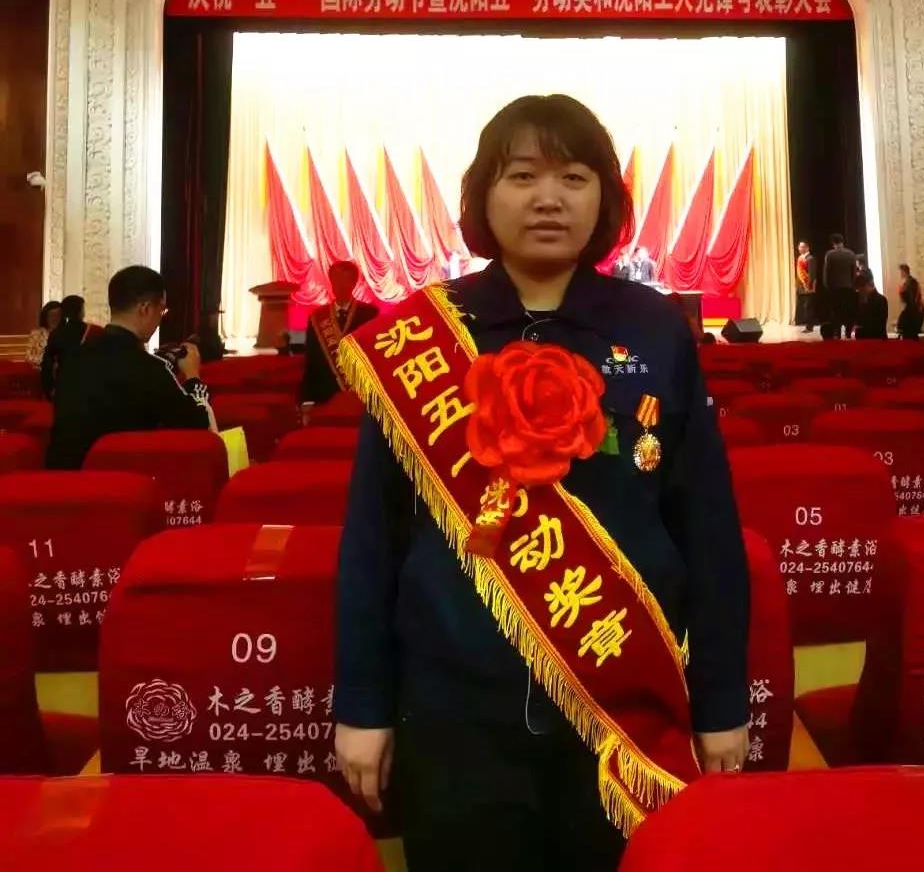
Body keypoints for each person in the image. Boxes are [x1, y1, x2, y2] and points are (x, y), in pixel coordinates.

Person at [334, 95, 750, 872]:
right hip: (454, 711)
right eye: (523, 175)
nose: (549, 197)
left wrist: (722, 699)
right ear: (483, 195)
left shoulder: (656, 328)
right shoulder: (423, 336)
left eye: (574, 176)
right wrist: (362, 703)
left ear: (605, 197)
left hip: (622, 707)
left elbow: (708, 528)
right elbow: (372, 540)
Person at [46, 266, 213, 470]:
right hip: (123, 483)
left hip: (64, 482)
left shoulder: (73, 360)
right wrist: (193, 376)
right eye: (161, 310)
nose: (160, 320)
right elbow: (197, 423)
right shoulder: (150, 369)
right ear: (145, 309)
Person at [300, 260, 378, 406]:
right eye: (336, 279)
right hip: (324, 394)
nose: (340, 285)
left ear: (354, 283)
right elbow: (310, 360)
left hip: (359, 394)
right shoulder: (317, 317)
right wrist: (306, 398)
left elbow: (375, 356)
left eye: (345, 280)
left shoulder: (369, 314)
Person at [40, 295, 102, 399]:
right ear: (81, 312)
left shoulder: (56, 334)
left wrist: (49, 390)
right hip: (88, 386)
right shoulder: (95, 331)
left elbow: (47, 364)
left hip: (64, 386)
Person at [822, 233, 857, 340]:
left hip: (834, 288)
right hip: (848, 287)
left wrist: (827, 285)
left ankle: (837, 332)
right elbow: (854, 272)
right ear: (843, 242)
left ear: (833, 243)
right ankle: (848, 332)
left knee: (836, 311)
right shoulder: (851, 254)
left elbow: (826, 272)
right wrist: (852, 285)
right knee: (847, 310)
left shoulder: (829, 255)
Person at [25, 300, 62, 368]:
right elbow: (29, 357)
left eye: (58, 315)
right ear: (45, 317)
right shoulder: (36, 334)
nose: (54, 318)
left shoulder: (65, 334)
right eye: (51, 315)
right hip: (41, 370)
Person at [853, 274, 889, 340]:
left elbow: (878, 324)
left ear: (866, 286)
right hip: (875, 339)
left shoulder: (878, 300)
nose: (860, 293)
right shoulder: (882, 299)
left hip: (873, 340)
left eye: (860, 290)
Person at [896, 264, 924, 341]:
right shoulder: (909, 282)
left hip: (912, 312)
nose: (900, 274)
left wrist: (901, 292)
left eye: (901, 272)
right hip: (912, 310)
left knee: (909, 335)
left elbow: (912, 298)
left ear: (904, 271)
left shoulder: (911, 282)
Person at [794, 241, 817, 333]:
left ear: (807, 248)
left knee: (808, 307)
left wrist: (809, 286)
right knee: (803, 307)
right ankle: (806, 324)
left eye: (802, 247)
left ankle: (809, 326)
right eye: (799, 247)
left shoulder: (810, 258)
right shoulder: (800, 258)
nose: (800, 248)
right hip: (801, 287)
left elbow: (812, 274)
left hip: (808, 287)